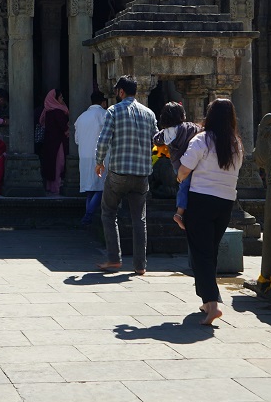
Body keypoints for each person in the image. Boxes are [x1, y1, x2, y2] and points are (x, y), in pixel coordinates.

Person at [178, 98, 245, 326]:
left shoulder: (202, 140)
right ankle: (207, 301)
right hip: (225, 203)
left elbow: (184, 169)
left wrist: (179, 178)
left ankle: (212, 303)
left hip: (201, 201)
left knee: (201, 253)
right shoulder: (236, 144)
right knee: (210, 251)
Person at [94, 75, 158, 275]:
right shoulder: (149, 113)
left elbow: (104, 140)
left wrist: (99, 161)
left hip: (118, 172)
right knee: (139, 218)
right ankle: (140, 265)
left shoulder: (114, 110)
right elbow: (156, 142)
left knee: (108, 211)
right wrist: (148, 162)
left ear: (121, 92)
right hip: (141, 174)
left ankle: (114, 258)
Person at [154, 102, 201, 230]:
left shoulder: (166, 133)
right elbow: (199, 130)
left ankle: (180, 212)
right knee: (188, 188)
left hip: (176, 166)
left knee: (183, 187)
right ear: (182, 116)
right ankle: (179, 213)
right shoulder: (187, 128)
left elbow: (156, 140)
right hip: (189, 164)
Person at [75, 90, 108, 225]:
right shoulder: (104, 115)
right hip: (100, 157)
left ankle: (88, 216)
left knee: (90, 189)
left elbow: (77, 140)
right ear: (104, 102)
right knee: (100, 188)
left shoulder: (81, 117)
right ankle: (88, 216)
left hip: (84, 156)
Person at [38, 89, 70, 194]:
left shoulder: (48, 111)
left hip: (51, 143)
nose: (62, 99)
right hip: (58, 143)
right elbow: (64, 127)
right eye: (60, 97)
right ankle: (56, 187)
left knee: (52, 163)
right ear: (54, 99)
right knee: (59, 164)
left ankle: (50, 186)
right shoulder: (58, 112)